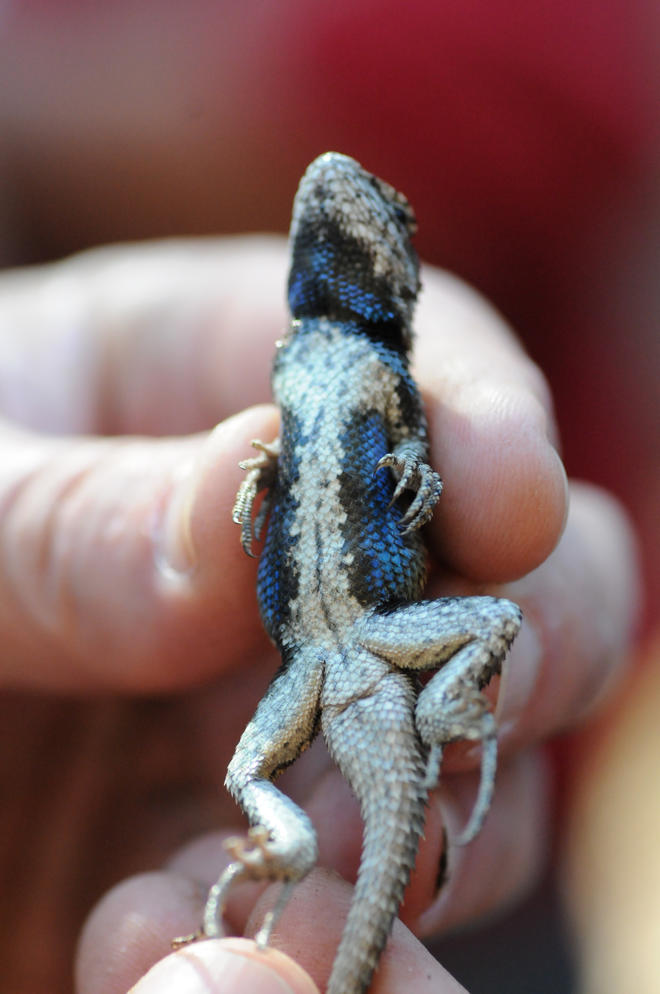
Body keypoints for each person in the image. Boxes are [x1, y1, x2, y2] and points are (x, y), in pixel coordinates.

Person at [0, 239, 638, 994]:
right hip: (309, 658)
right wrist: (269, 468)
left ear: (390, 271)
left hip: (372, 638)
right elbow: (293, 433)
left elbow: (412, 450)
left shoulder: (387, 363)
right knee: (249, 769)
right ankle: (292, 844)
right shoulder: (290, 355)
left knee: (499, 617)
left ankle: (444, 708)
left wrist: (418, 471)